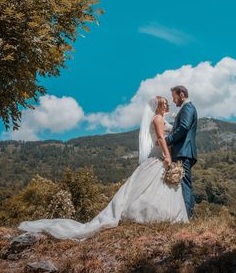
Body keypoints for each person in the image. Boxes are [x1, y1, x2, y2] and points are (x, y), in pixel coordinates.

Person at [18, 96, 188, 240]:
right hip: (159, 155)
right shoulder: (157, 118)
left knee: (148, 188)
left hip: (158, 156)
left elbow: (171, 131)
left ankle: (155, 215)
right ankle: (152, 216)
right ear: (158, 106)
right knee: (148, 187)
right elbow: (160, 137)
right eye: (165, 103)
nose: (168, 105)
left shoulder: (161, 118)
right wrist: (167, 156)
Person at [166, 85, 198, 219]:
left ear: (182, 94)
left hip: (183, 152)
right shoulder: (186, 108)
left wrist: (168, 140)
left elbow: (184, 127)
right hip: (182, 152)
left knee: (184, 184)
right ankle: (184, 215)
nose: (173, 101)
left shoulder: (188, 107)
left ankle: (186, 217)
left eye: (174, 97)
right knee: (181, 183)